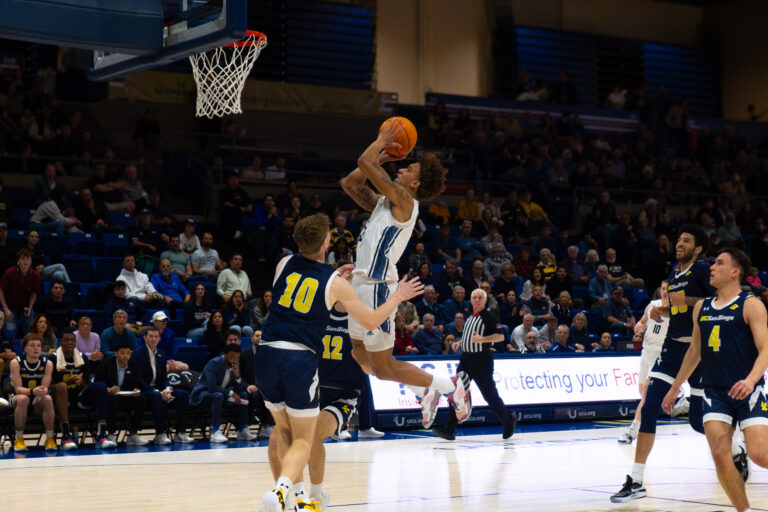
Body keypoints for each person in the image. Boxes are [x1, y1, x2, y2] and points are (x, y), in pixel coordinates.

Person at [255, 213, 425, 512]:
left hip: (267, 351)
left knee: (283, 431)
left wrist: (333, 276)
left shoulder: (283, 264)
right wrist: (397, 296)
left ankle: (295, 500)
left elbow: (305, 278)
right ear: (327, 241)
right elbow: (371, 320)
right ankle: (281, 491)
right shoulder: (335, 283)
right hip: (298, 357)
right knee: (304, 440)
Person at [610, 225, 719, 503]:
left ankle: (735, 446)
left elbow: (714, 302)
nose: (679, 244)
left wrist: (677, 301)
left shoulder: (702, 269)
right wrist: (664, 309)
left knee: (697, 421)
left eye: (686, 241)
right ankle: (635, 480)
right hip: (671, 349)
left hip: (698, 351)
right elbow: (678, 306)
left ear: (698, 249)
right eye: (678, 240)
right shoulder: (674, 272)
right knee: (648, 407)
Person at [660, 248, 768, 512]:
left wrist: (751, 380)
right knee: (720, 455)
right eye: (712, 263)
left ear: (735, 271)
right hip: (714, 392)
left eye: (719, 263)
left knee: (759, 454)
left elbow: (766, 348)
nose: (712, 267)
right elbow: (694, 351)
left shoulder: (750, 304)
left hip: (747, 390)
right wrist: (675, 389)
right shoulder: (702, 306)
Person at [432, 289, 517, 441]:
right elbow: (470, 335)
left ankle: (509, 420)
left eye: (480, 298)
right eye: (474, 297)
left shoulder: (490, 317)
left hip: (482, 361)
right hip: (466, 360)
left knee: (489, 396)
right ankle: (449, 430)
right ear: (470, 300)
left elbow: (501, 336)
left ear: (485, 301)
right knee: (456, 393)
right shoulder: (470, 316)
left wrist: (482, 340)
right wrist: (460, 342)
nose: (477, 300)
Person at [619, 281, 669, 444]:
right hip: (646, 351)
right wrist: (639, 328)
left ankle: (631, 432)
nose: (665, 292)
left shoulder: (675, 311)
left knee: (646, 395)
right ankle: (674, 391)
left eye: (668, 289)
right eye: (662, 288)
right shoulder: (652, 305)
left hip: (660, 353)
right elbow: (641, 322)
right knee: (642, 393)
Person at [50, 331, 116, 450]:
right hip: (60, 400)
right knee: (61, 387)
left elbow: (86, 386)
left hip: (79, 398)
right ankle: (65, 436)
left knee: (100, 386)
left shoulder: (82, 358)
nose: (70, 342)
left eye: (72, 340)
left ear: (76, 342)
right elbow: (49, 386)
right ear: (61, 342)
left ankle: (102, 435)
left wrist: (80, 383)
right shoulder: (52, 358)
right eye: (66, 340)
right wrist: (66, 383)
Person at [131, 327, 193, 444]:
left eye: (156, 337)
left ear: (159, 339)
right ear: (145, 338)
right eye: (151, 336)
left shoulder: (161, 354)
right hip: (143, 390)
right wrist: (159, 392)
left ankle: (180, 433)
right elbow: (138, 380)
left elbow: (164, 378)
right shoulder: (137, 354)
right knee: (155, 396)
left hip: (158, 390)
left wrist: (168, 389)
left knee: (183, 395)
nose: (153, 339)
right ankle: (160, 434)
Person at [190, 343, 257, 443]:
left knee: (243, 395)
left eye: (237, 358)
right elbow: (212, 387)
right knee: (218, 395)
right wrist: (231, 393)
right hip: (204, 394)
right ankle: (215, 431)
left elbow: (238, 389)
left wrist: (237, 376)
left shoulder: (236, 365)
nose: (235, 360)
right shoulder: (213, 363)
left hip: (222, 395)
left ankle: (242, 429)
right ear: (225, 355)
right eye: (232, 357)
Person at [94, 339, 149, 446]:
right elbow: (97, 383)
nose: (125, 356)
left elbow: (138, 382)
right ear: (116, 353)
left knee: (141, 398)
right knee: (112, 399)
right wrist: (108, 390)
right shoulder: (106, 364)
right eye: (122, 353)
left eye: (128, 353)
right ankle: (110, 434)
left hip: (126, 397)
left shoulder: (134, 365)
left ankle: (133, 434)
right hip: (108, 398)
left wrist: (136, 389)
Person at [9, 334, 56, 452]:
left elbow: (44, 388)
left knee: (48, 398)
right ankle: (19, 438)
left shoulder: (48, 363)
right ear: (25, 348)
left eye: (39, 346)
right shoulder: (16, 362)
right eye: (32, 345)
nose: (36, 348)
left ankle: (50, 438)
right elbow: (18, 389)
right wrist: (32, 391)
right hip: (17, 398)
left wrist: (42, 390)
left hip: (36, 399)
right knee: (23, 399)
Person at [0, 249, 40, 339]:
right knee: (11, 329)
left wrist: (30, 307)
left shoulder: (35, 275)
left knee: (30, 328)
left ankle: (28, 350)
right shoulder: (9, 272)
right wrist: (6, 309)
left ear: (31, 261)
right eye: (23, 259)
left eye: (28, 259)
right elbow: (1, 290)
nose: (25, 261)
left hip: (25, 307)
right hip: (9, 306)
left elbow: (34, 293)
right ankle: (12, 349)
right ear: (18, 261)